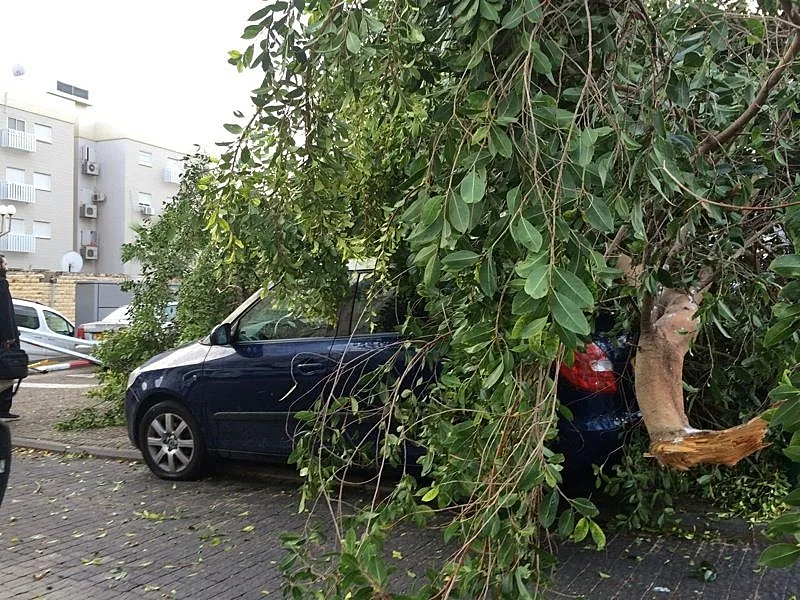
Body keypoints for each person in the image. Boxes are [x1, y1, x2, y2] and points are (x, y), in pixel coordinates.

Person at [0, 254, 20, 420]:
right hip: (4, 339)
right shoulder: (2, 284)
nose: (7, 266)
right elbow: (6, 314)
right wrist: (9, 337)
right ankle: (3, 408)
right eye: (5, 264)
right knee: (7, 371)